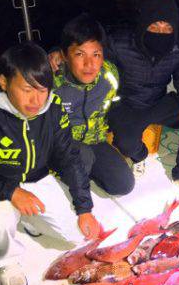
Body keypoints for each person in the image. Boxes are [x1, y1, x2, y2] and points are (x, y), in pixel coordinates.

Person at [0, 42, 102, 285]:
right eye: (27, 89)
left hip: (36, 177)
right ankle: (5, 262)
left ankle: (29, 219)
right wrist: (12, 192)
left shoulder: (52, 105)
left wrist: (85, 207)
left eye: (43, 90)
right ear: (4, 82)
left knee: (76, 237)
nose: (36, 100)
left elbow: (69, 156)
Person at [61, 0, 179, 194]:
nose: (161, 33)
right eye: (154, 27)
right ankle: (141, 156)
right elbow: (88, 49)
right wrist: (56, 54)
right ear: (143, 24)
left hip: (159, 101)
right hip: (127, 103)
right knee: (126, 141)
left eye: (167, 28)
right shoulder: (119, 42)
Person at [51, 14, 135, 196]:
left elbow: (116, 105)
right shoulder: (51, 82)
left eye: (96, 54)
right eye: (80, 54)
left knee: (124, 185)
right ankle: (65, 174)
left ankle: (85, 171)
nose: (89, 64)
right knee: (83, 159)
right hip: (60, 144)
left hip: (95, 139)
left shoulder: (109, 75)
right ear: (64, 55)